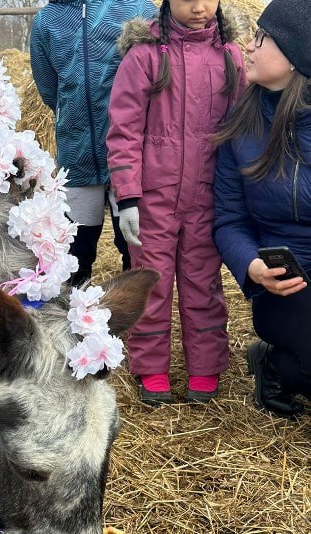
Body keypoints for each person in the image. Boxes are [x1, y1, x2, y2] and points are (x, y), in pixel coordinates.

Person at [106, 0, 247, 405]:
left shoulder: (231, 56)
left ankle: (205, 368)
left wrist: (237, 195)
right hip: (154, 198)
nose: (199, 7)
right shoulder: (145, 55)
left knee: (203, 282)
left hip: (209, 196)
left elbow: (241, 127)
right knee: (151, 282)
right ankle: (151, 369)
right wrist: (128, 196)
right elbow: (124, 129)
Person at [213, 0, 310, 419]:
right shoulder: (242, 127)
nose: (248, 47)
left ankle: (275, 365)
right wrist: (251, 266)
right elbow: (229, 221)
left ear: (296, 56)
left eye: (261, 37)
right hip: (287, 288)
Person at [30, 0, 157, 287]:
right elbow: (49, 88)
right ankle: (75, 319)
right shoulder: (47, 20)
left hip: (129, 155)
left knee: (135, 246)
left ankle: (135, 320)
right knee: (75, 252)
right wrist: (72, 115)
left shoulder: (139, 8)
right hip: (77, 153)